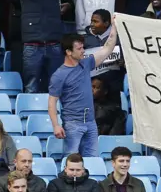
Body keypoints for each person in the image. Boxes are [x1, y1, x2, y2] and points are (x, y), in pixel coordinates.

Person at [48, 20, 119, 157]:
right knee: (71, 159)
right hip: (72, 123)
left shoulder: (85, 63)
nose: (83, 51)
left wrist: (114, 27)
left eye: (83, 48)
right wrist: (56, 125)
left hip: (91, 122)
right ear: (68, 52)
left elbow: (107, 49)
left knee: (92, 159)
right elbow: (52, 102)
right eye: (79, 49)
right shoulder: (59, 75)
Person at [10, 0, 72, 93]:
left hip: (53, 45)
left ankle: (52, 115)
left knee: (55, 84)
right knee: (31, 85)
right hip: (32, 46)